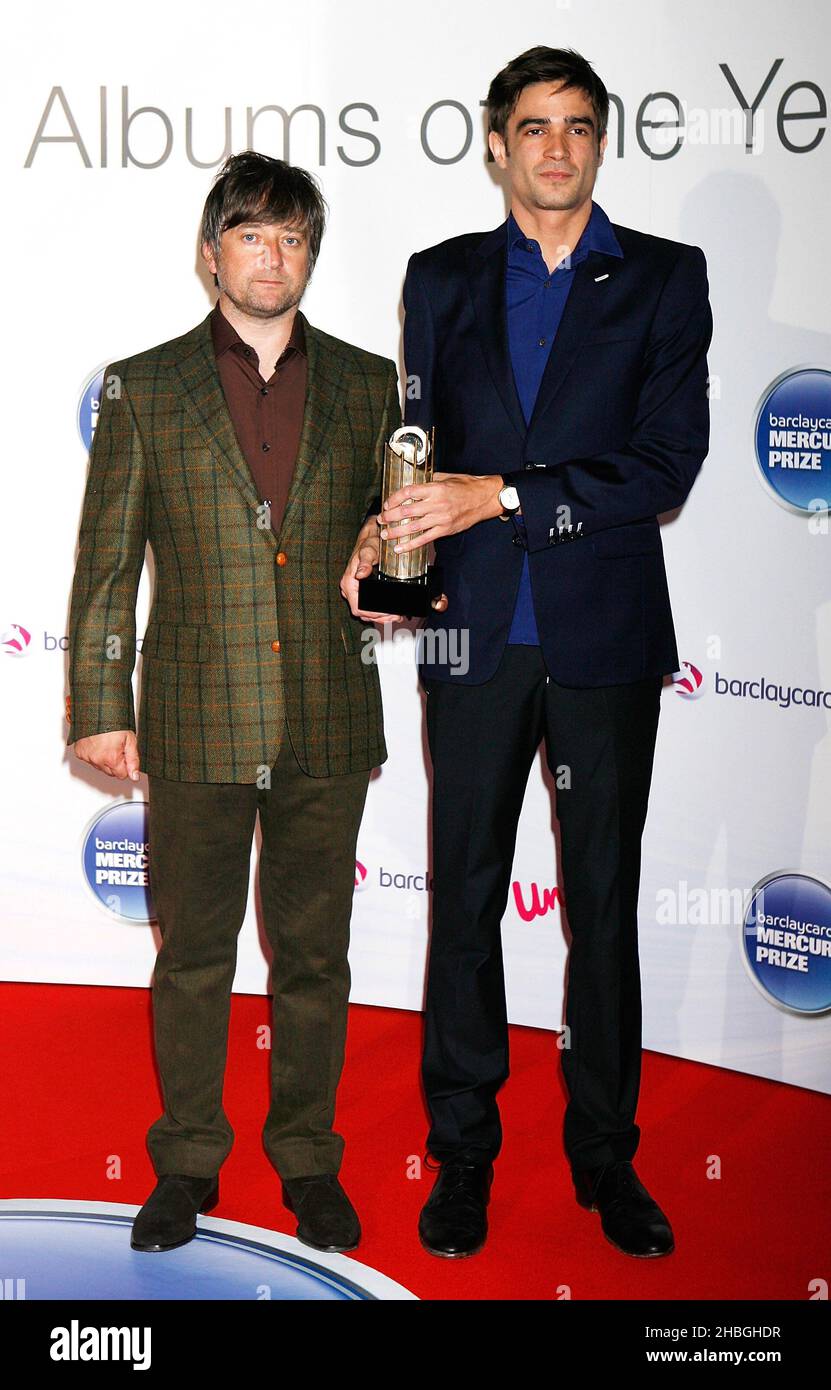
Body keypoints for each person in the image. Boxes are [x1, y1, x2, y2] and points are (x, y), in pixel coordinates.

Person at [369, 45, 713, 1259]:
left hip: (603, 638)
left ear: (602, 141)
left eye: (577, 126)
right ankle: (463, 1154)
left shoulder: (665, 279)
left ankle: (605, 1157)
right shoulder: (442, 279)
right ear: (496, 143)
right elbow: (418, 451)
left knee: (603, 907)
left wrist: (501, 499)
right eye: (533, 126)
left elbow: (665, 469)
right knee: (462, 900)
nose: (555, 147)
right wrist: (389, 546)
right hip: (470, 640)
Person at [66, 151, 399, 1255]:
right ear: (212, 254)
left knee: (315, 955)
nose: (276, 256)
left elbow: (383, 529)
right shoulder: (145, 385)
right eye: (254, 235)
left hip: (327, 715)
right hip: (196, 715)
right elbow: (107, 564)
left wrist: (392, 568)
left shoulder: (368, 383)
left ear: (312, 256)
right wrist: (98, 702)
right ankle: (188, 1159)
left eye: (295, 238)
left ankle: (308, 1158)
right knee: (195, 952)